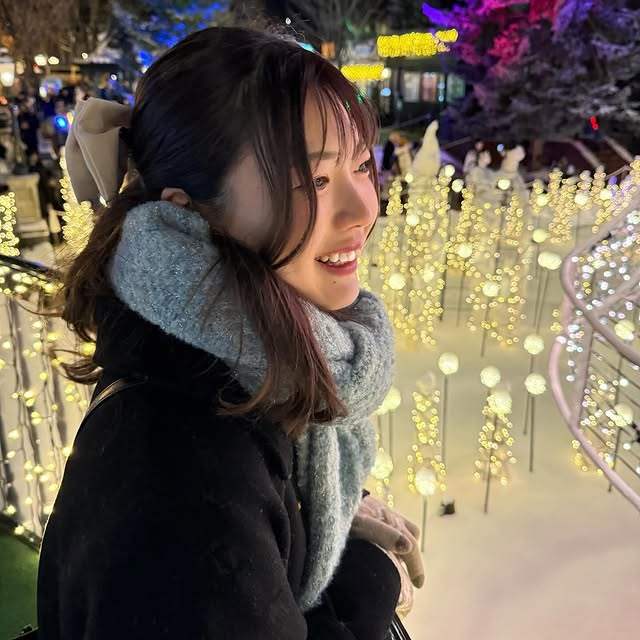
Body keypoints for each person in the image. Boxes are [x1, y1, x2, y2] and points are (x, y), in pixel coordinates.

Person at [36, 26, 424, 640]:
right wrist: (370, 580)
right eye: (314, 182)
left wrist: (323, 512)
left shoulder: (237, 362)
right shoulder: (178, 479)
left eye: (361, 165)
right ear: (188, 209)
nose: (363, 209)